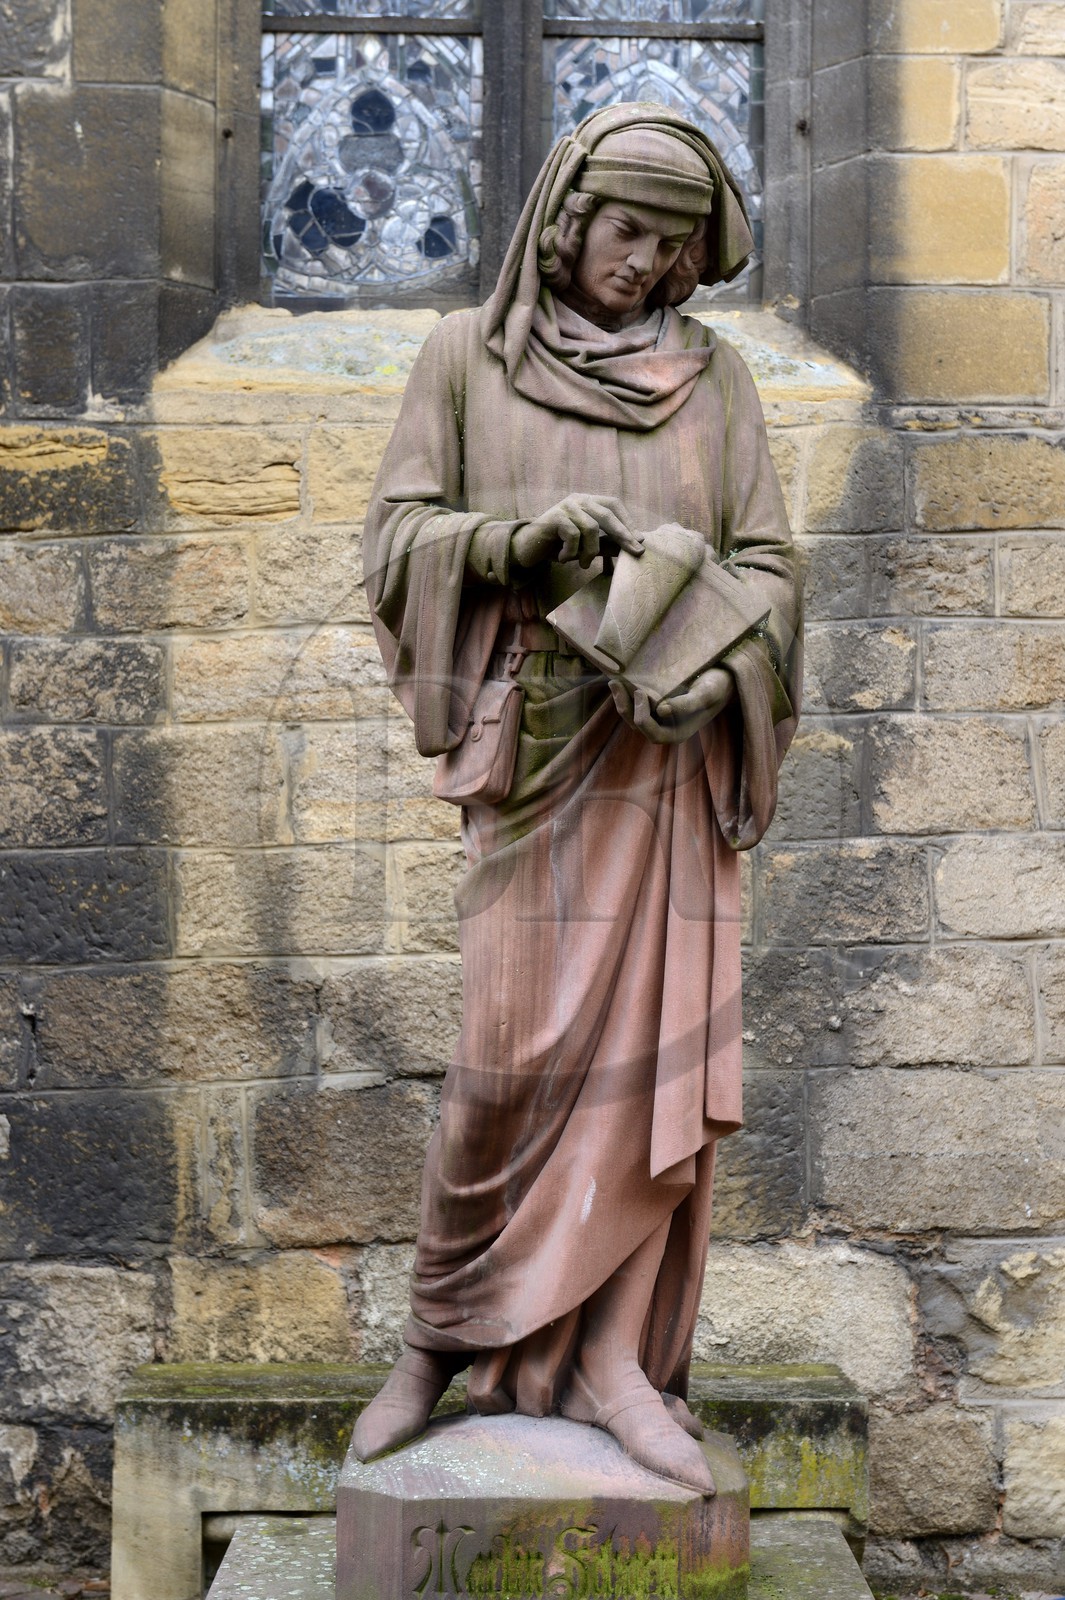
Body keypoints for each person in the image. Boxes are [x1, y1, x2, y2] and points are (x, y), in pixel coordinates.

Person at [355, 103, 802, 1497]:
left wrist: (714, 660)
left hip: (659, 766)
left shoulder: (712, 381)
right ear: (562, 223)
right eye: (623, 231)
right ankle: (436, 1340)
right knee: (501, 1069)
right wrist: (512, 543)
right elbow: (392, 543)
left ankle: (618, 1365)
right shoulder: (460, 362)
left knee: (647, 1084)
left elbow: (774, 566)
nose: (642, 262)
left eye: (669, 244)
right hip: (535, 758)